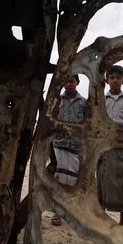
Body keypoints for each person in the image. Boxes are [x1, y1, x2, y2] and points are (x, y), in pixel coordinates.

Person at [97, 65, 123, 226]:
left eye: (118, 78)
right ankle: (101, 215)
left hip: (122, 148)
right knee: (102, 180)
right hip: (104, 147)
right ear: (107, 80)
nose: (115, 80)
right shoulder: (101, 100)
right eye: (112, 77)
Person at [51, 75, 87, 225]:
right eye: (66, 81)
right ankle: (56, 214)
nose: (69, 84)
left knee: (72, 181)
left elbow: (86, 123)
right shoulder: (57, 101)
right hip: (59, 144)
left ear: (77, 83)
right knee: (58, 179)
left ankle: (69, 212)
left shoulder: (84, 103)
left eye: (71, 81)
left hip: (75, 147)